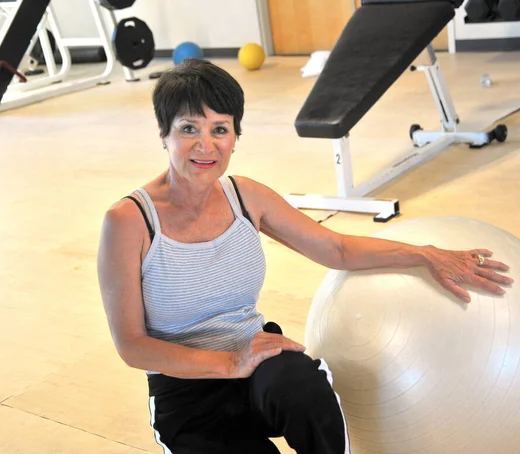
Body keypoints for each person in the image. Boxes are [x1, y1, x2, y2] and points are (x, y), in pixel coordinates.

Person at [97, 58, 513, 454]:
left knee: (303, 389)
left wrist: (425, 254)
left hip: (258, 359)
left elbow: (335, 247)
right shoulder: (128, 222)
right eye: (189, 128)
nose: (205, 146)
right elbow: (133, 346)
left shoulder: (246, 196)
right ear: (163, 132)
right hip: (186, 394)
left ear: (235, 137)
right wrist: (229, 363)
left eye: (220, 129)